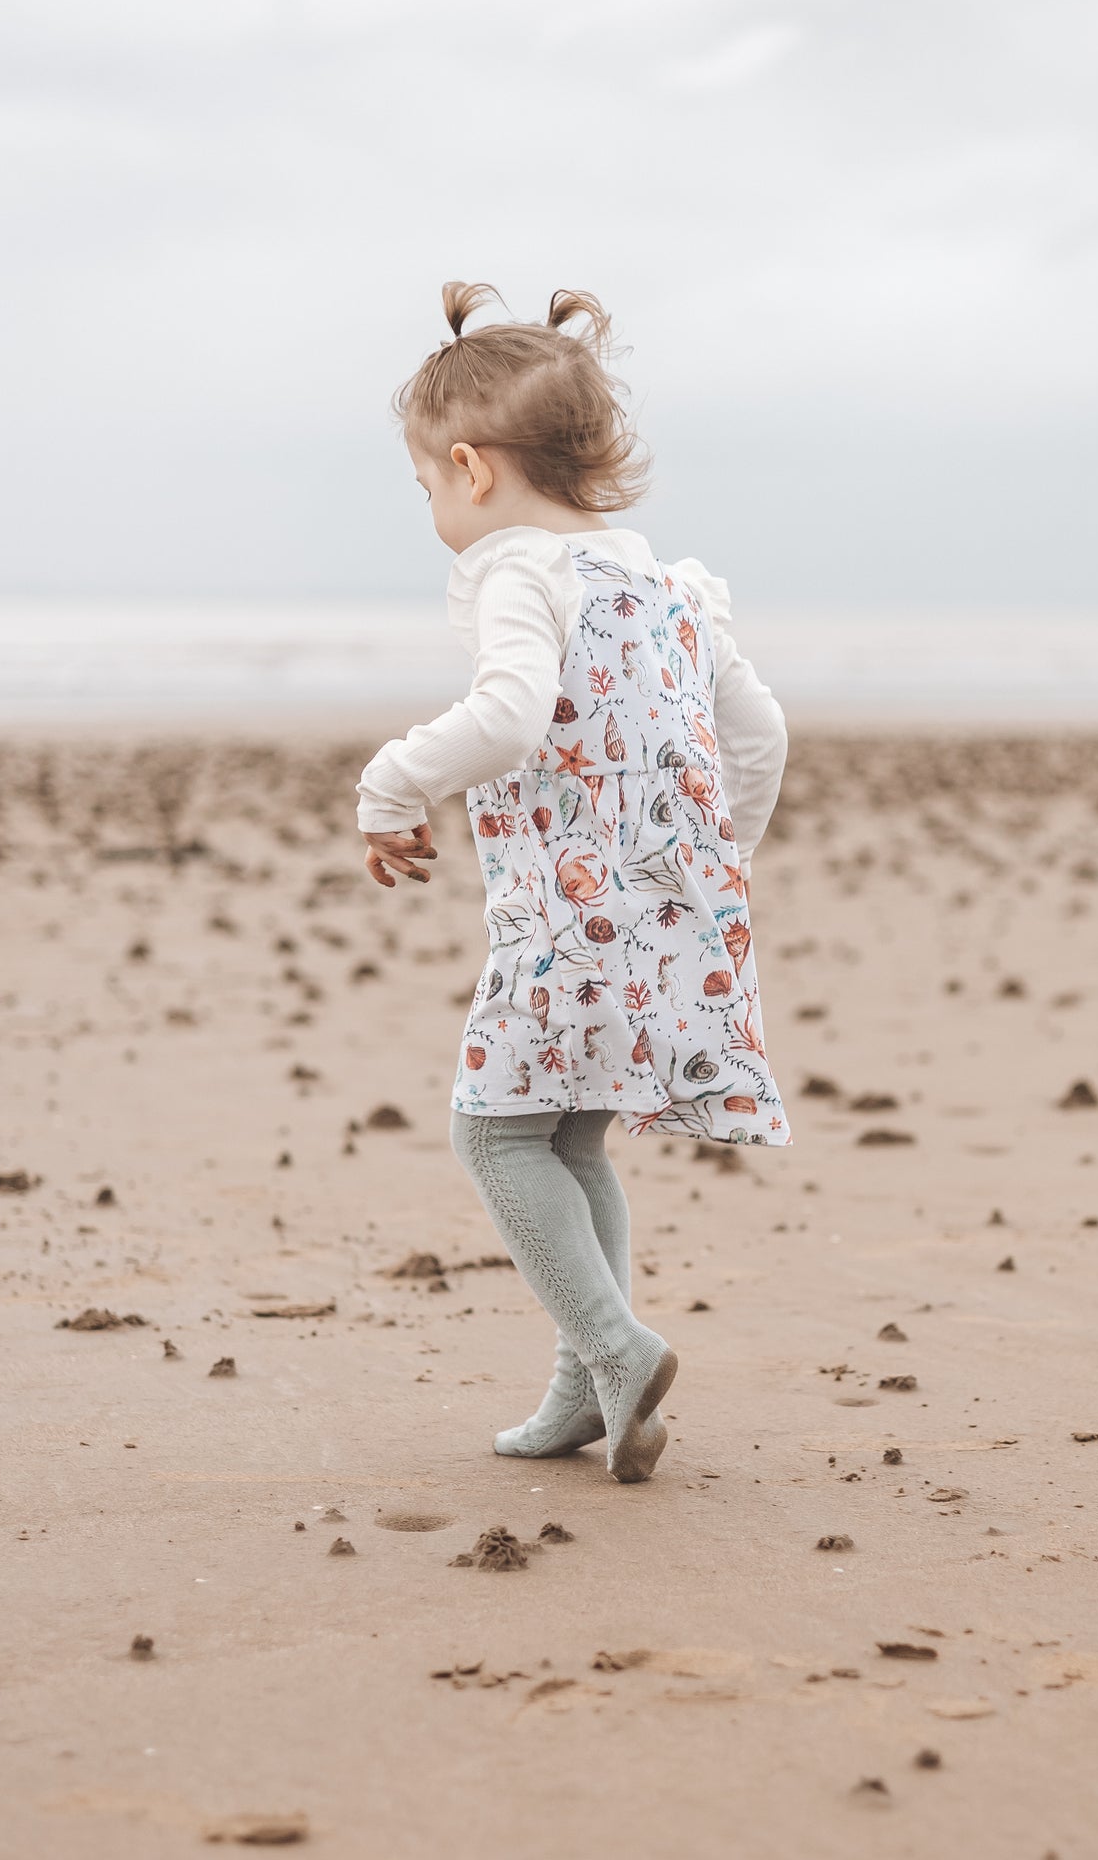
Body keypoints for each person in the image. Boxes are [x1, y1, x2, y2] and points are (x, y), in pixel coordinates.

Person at [357, 282, 789, 1483]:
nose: (433, 510)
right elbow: (759, 736)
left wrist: (390, 782)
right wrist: (714, 869)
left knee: (493, 1134)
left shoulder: (517, 569)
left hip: (567, 921)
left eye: (425, 485)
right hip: (671, 915)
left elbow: (507, 713)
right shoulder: (677, 587)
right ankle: (587, 1387)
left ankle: (615, 1345)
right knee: (572, 1134)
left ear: (469, 468)